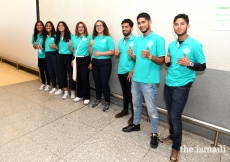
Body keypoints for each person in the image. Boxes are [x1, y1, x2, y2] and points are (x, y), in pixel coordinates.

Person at [159, 13, 206, 161]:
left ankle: (176, 148)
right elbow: (170, 64)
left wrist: (189, 64)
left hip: (182, 87)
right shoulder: (172, 45)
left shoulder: (195, 44)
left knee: (175, 116)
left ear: (188, 26)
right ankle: (172, 136)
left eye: (182, 24)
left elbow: (203, 66)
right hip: (168, 85)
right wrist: (167, 62)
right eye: (176, 24)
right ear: (174, 27)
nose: (179, 27)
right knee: (170, 114)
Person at [122, 12, 166, 149]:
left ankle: (154, 133)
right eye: (139, 23)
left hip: (149, 81)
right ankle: (136, 124)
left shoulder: (158, 39)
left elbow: (162, 61)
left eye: (143, 22)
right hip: (136, 79)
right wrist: (132, 56)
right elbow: (137, 60)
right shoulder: (137, 40)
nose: (141, 25)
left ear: (149, 22)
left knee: (152, 109)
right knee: (135, 105)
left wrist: (151, 56)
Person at [88, 20, 115, 112]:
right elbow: (91, 53)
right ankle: (98, 99)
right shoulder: (93, 39)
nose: (98, 27)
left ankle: (107, 102)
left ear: (104, 27)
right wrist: (90, 46)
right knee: (97, 83)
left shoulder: (108, 38)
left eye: (100, 25)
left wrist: (100, 53)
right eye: (97, 26)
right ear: (95, 28)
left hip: (105, 63)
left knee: (104, 83)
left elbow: (112, 52)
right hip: (95, 63)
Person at [114, 19, 136, 124]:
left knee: (131, 94)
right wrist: (117, 54)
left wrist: (132, 71)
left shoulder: (136, 41)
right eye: (123, 27)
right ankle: (125, 110)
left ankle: (134, 115)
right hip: (121, 71)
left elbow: (139, 59)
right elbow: (120, 55)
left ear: (131, 28)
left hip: (130, 72)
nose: (124, 29)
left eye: (126, 27)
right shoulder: (120, 41)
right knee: (125, 93)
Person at [69, 22, 92, 105]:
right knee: (78, 77)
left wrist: (91, 62)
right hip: (76, 59)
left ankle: (87, 96)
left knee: (84, 78)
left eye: (82, 27)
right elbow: (72, 51)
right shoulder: (74, 37)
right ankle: (80, 95)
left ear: (85, 28)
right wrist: (70, 46)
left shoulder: (89, 37)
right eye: (79, 27)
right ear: (77, 29)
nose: (81, 28)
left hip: (85, 59)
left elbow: (91, 50)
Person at [55, 21, 76, 99]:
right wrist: (55, 47)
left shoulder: (71, 36)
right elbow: (58, 48)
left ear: (65, 26)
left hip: (69, 57)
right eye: (59, 26)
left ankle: (73, 91)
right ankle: (66, 91)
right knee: (62, 74)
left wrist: (72, 59)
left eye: (62, 25)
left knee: (71, 75)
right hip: (60, 56)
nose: (60, 27)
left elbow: (73, 49)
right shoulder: (58, 36)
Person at [42, 21, 62, 95]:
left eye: (50, 26)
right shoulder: (45, 36)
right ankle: (54, 86)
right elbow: (44, 46)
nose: (48, 27)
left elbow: (59, 47)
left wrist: (55, 47)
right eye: (47, 26)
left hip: (54, 54)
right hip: (47, 54)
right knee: (50, 71)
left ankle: (60, 88)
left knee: (56, 71)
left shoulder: (56, 35)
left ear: (52, 27)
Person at [32, 21, 50, 91]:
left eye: (41, 25)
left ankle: (48, 84)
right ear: (36, 27)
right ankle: (43, 83)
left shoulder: (46, 34)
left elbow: (49, 44)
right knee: (41, 70)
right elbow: (33, 45)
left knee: (47, 70)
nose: (39, 26)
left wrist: (44, 47)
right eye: (37, 25)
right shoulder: (34, 35)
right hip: (39, 56)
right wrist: (35, 46)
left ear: (43, 26)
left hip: (46, 56)